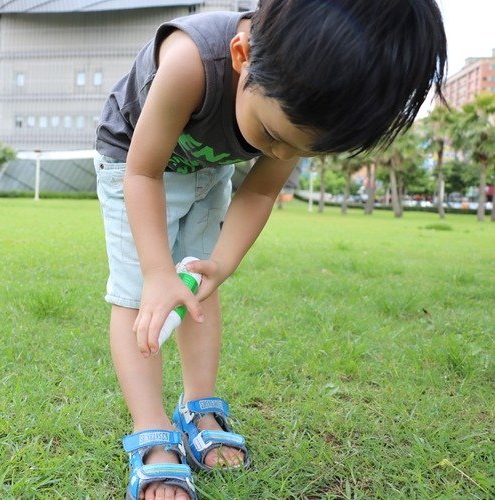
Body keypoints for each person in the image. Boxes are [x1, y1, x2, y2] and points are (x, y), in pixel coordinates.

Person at [93, 1, 447, 499]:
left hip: (206, 164)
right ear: (242, 56)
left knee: (199, 282)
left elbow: (259, 191)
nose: (279, 155)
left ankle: (200, 403)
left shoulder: (301, 108)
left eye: (300, 149)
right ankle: (153, 436)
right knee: (138, 295)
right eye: (273, 137)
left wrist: (220, 264)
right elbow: (142, 172)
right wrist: (156, 272)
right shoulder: (188, 62)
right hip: (135, 160)